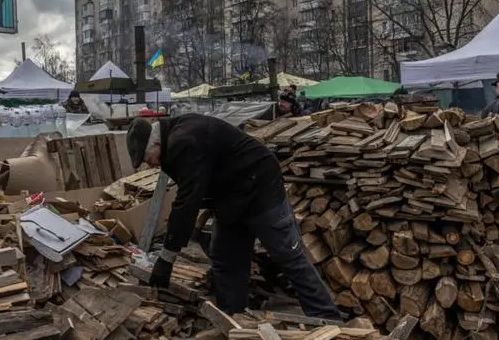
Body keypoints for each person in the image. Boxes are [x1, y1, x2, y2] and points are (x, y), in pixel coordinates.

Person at [126, 114, 341, 320]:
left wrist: (166, 258)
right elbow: (199, 184)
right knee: (226, 259)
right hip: (231, 196)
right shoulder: (174, 136)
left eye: (147, 159)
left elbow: (187, 199)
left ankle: (328, 318)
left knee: (287, 254)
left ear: (155, 145)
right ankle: (233, 319)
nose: (150, 165)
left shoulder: (183, 141)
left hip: (260, 188)